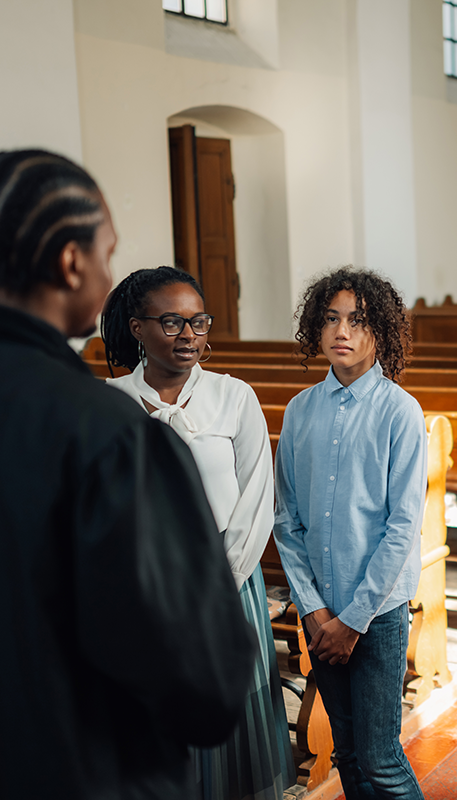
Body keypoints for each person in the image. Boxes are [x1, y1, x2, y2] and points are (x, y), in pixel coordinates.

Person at [0, 149, 255, 799]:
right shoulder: (106, 429)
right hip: (87, 764)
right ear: (71, 261)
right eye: (106, 253)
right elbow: (202, 682)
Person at [101, 266, 293, 800]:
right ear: (137, 328)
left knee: (228, 735)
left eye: (198, 322)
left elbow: (257, 501)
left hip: (225, 585)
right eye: (171, 322)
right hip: (141, 594)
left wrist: (214, 590)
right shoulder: (109, 402)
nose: (188, 336)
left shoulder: (234, 397)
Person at [274, 266, 427, 800]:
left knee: (381, 759)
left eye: (358, 321)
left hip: (376, 614)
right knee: (348, 756)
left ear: (380, 332)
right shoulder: (300, 411)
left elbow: (403, 525)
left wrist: (352, 620)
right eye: (332, 319)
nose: (342, 331)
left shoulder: (400, 412)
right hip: (320, 611)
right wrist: (314, 610)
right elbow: (287, 520)